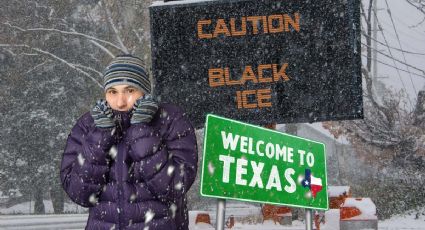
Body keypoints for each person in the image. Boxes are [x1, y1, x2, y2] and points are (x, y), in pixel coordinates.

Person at [60, 54, 198, 230]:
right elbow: (79, 193)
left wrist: (141, 129)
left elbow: (174, 187)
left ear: (144, 91)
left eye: (130, 90)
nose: (120, 101)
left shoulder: (171, 120)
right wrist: (101, 136)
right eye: (113, 92)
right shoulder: (88, 125)